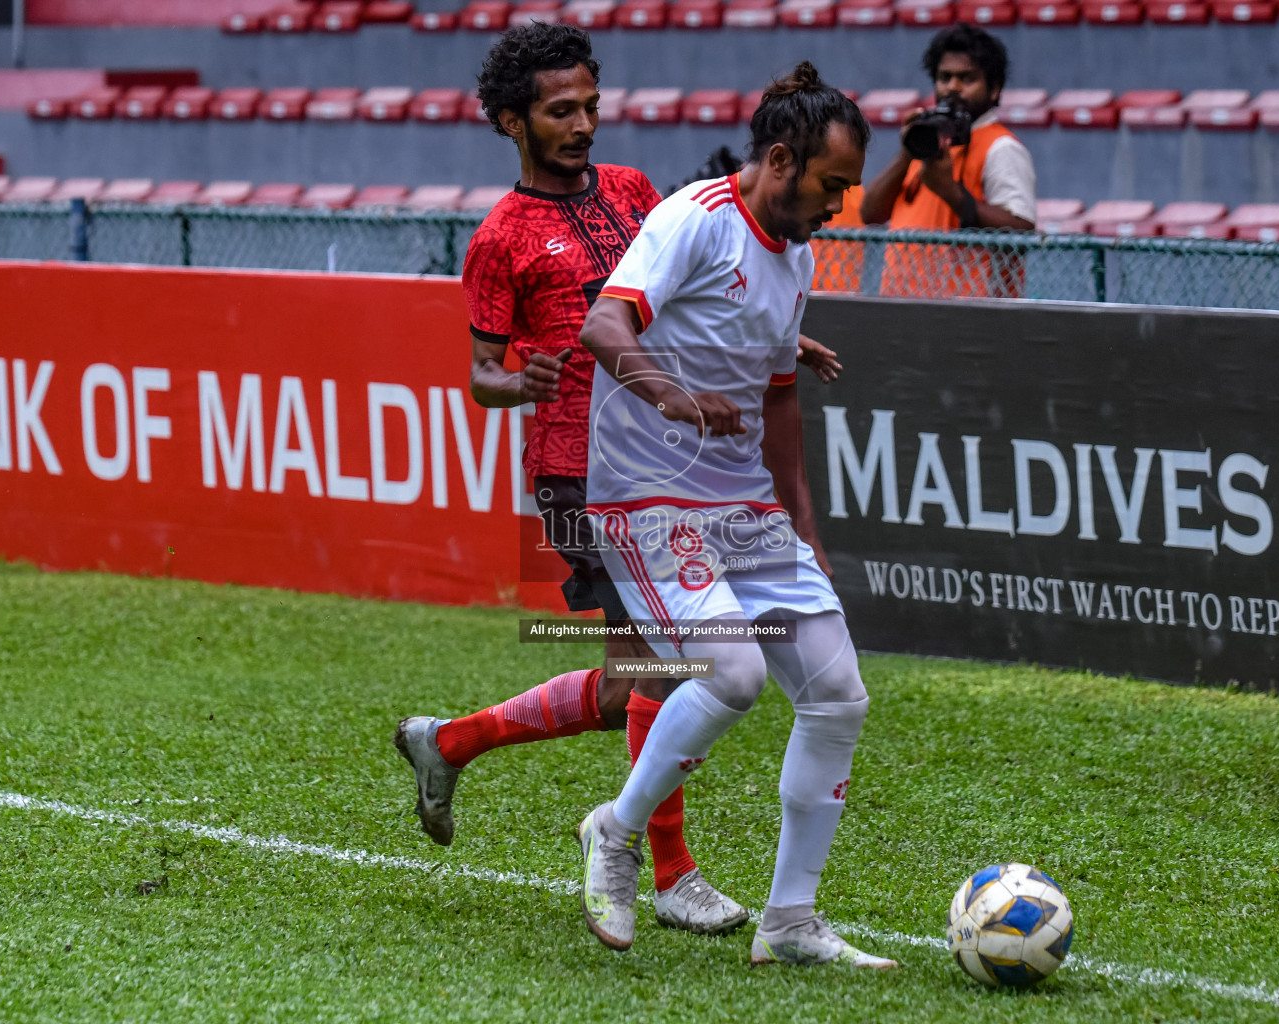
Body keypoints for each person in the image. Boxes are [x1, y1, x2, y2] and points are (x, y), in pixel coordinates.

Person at [391, 23, 837, 937]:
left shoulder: (637, 192)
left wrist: (775, 340)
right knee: (672, 668)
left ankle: (450, 742)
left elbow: (698, 294)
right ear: (513, 122)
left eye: (591, 105)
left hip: (676, 471)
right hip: (577, 472)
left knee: (627, 681)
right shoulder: (499, 238)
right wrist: (521, 381)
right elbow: (480, 376)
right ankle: (665, 868)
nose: (584, 124)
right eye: (561, 111)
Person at [574, 62, 897, 969]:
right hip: (647, 497)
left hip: (743, 506)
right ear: (783, 159)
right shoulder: (695, 218)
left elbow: (781, 402)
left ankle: (790, 923)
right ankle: (616, 830)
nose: (840, 204)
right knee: (734, 674)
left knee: (837, 695)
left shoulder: (795, 252)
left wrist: (807, 531)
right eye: (832, 185)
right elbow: (604, 328)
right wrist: (673, 397)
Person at [822, 24, 1036, 297]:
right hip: (902, 304)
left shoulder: (1001, 146)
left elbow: (1021, 232)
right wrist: (906, 152)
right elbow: (870, 213)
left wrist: (951, 193)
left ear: (994, 89)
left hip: (971, 314)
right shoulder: (927, 140)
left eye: (967, 79)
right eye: (944, 77)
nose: (953, 88)